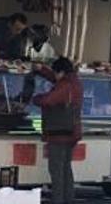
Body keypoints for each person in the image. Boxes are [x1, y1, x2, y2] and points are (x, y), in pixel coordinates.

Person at [32, 57, 83, 204]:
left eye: (55, 73)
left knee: (57, 172)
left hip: (60, 133)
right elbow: (55, 80)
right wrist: (41, 69)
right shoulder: (72, 81)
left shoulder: (65, 85)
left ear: (61, 72)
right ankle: (68, 199)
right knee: (66, 169)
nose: (54, 76)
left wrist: (35, 99)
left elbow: (49, 100)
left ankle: (59, 200)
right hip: (70, 132)